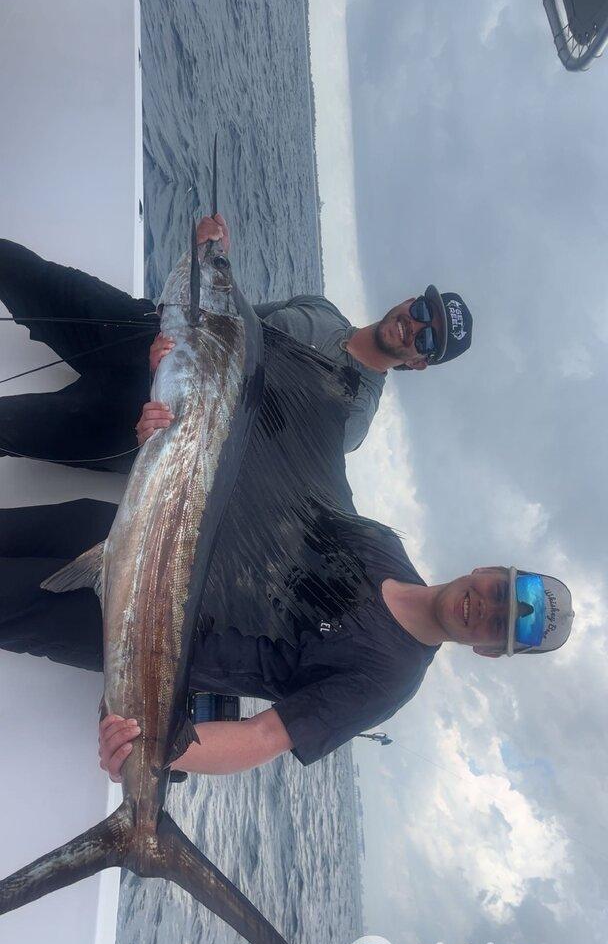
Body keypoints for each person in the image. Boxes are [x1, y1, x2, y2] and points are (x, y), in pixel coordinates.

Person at [0, 498, 574, 781]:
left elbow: (263, 738)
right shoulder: (380, 543)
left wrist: (151, 752)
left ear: (487, 652)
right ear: (488, 569)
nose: (486, 608)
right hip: (132, 526)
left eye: (499, 626)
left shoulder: (390, 679)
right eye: (501, 592)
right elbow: (266, 495)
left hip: (142, 633)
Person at [0, 216, 473, 467]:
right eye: (422, 311)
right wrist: (208, 255)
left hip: (150, 423)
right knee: (17, 266)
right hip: (145, 335)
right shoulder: (321, 309)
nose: (415, 326)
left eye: (428, 338)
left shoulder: (353, 418)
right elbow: (227, 316)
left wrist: (172, 383)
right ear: (410, 300)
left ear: (419, 364)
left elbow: (239, 450)